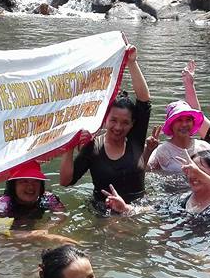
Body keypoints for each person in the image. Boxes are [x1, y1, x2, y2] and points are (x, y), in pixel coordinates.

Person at [60, 46, 151, 209]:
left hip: (137, 210)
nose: (118, 127)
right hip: (103, 213)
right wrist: (69, 147)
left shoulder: (135, 139)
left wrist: (132, 62)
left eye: (125, 123)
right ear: (105, 119)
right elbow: (66, 181)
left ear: (132, 124)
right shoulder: (93, 147)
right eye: (113, 120)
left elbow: (144, 101)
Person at [103, 149, 210, 220]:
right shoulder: (180, 200)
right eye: (190, 171)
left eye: (199, 172)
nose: (193, 176)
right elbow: (151, 210)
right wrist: (124, 208)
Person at [0, 161, 66, 221]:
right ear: (13, 185)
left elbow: (61, 214)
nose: (31, 186)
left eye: (36, 181)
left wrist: (46, 228)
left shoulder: (48, 198)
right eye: (24, 181)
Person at [143, 100, 210, 174]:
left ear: (193, 123)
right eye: (179, 120)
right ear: (171, 124)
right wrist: (148, 150)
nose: (184, 124)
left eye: (188, 120)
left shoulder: (204, 147)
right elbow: (144, 170)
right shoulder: (163, 150)